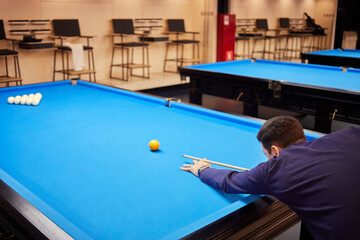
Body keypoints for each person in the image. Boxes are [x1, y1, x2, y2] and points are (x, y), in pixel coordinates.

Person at [180, 116, 360, 240]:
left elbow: (230, 182)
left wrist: (203, 169)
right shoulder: (349, 134)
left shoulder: (278, 168)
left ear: (275, 150)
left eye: (266, 155)